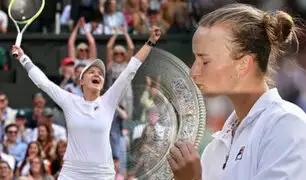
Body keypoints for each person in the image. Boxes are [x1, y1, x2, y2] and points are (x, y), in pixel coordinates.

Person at [167, 3, 306, 180]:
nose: (193, 71)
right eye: (195, 59)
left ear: (243, 64)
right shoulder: (215, 148)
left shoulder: (286, 123)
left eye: (205, 61)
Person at [12, 26, 161, 179]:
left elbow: (131, 68)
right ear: (81, 81)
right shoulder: (69, 101)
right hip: (71, 174)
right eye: (92, 72)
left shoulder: (109, 101)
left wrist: (150, 42)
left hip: (102, 174)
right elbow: (44, 83)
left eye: (100, 74)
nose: (97, 74)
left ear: (103, 84)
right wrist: (24, 58)